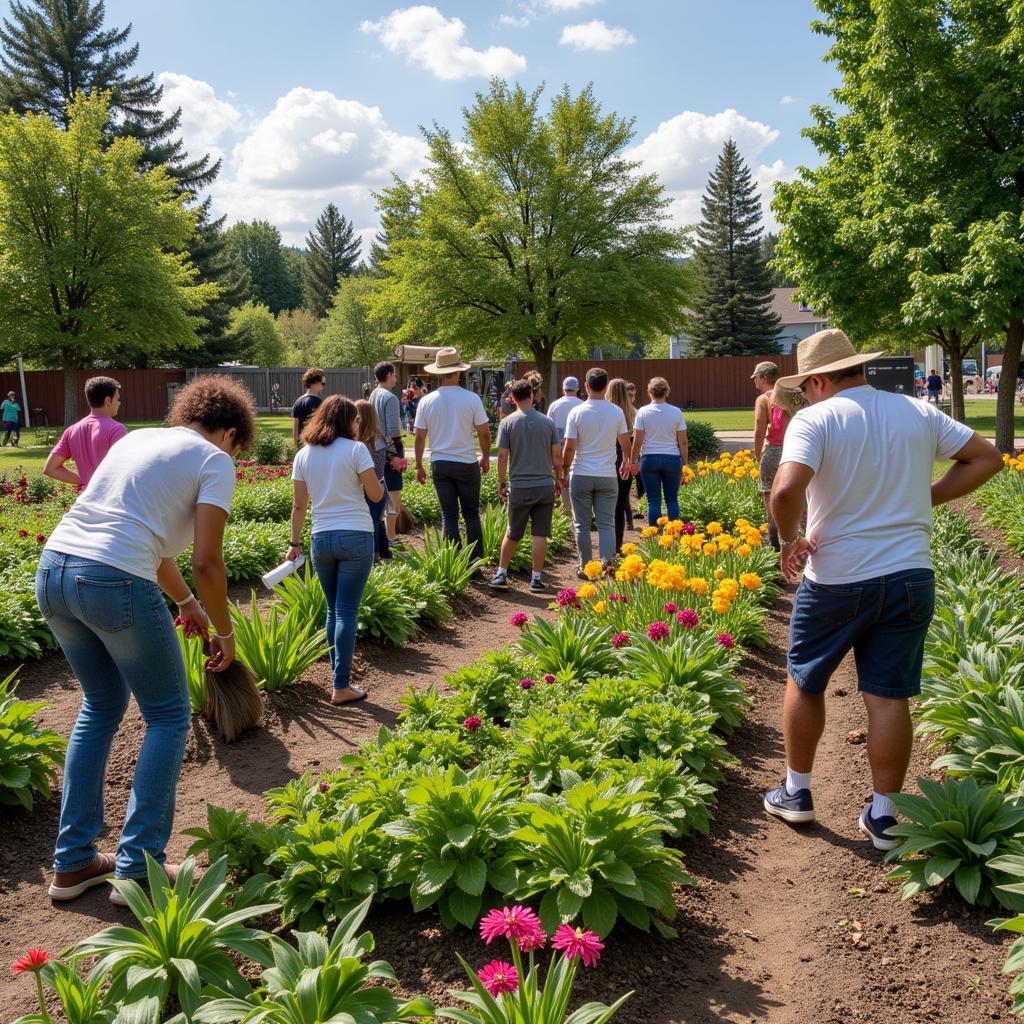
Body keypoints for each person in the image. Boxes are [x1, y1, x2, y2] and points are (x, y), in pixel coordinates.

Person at [762, 329, 1002, 849]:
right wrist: (922, 500)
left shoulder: (816, 418)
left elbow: (784, 491)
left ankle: (797, 792)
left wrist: (789, 540)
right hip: (911, 575)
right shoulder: (916, 411)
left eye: (806, 387)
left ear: (820, 380)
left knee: (805, 679)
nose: (803, 397)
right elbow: (987, 458)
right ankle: (885, 816)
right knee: (889, 697)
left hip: (837, 577)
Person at [37, 375, 253, 901]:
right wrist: (224, 632)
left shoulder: (137, 439)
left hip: (55, 570)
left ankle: (72, 863)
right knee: (168, 714)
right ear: (228, 432)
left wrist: (187, 606)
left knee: (100, 705)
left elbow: (150, 546)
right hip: (112, 581)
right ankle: (138, 867)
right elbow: (206, 560)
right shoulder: (214, 460)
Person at [287, 396, 383, 706]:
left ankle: (337, 679)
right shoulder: (357, 450)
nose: (358, 425)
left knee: (333, 611)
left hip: (320, 538)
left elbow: (299, 505)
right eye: (355, 420)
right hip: (355, 535)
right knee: (346, 612)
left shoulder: (303, 455)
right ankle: (341, 686)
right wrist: (376, 480)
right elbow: (375, 494)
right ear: (347, 421)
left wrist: (294, 544)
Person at [414, 347, 491, 560]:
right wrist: (485, 456)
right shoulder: (471, 398)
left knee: (449, 516)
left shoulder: (426, 401)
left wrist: (419, 465)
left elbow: (419, 437)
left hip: (440, 462)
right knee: (471, 515)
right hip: (466, 462)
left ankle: (455, 562)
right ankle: (474, 562)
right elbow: (484, 433)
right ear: (458, 372)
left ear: (437, 373)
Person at [489, 378, 562, 593]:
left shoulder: (508, 423)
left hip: (520, 486)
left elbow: (502, 455)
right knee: (540, 533)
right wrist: (558, 481)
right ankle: (536, 579)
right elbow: (556, 456)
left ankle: (501, 573)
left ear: (512, 399)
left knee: (512, 532)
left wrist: (501, 481)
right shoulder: (547, 422)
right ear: (532, 396)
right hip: (543, 485)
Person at [562, 367, 631, 575]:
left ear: (586, 386)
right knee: (606, 524)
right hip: (607, 474)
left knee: (582, 524)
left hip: (581, 473)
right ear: (606, 385)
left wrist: (565, 469)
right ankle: (607, 563)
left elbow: (570, 447)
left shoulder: (576, 412)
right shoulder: (616, 411)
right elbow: (625, 442)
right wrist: (626, 460)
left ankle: (584, 566)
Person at [43, 376, 128, 489]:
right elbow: (125, 469)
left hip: (86, 500)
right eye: (118, 399)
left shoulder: (71, 430)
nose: (119, 403)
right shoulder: (117, 429)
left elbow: (50, 469)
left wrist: (85, 482)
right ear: (108, 401)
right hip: (111, 499)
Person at [630, 377, 688, 525]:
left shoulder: (642, 412)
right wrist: (685, 463)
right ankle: (674, 532)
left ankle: (655, 533)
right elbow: (683, 441)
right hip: (672, 458)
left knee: (653, 499)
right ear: (666, 392)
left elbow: (637, 441)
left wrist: (634, 461)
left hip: (649, 458)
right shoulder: (676, 412)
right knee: (672, 499)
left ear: (649, 392)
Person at [751, 362, 787, 550]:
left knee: (771, 500)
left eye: (755, 378)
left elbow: (759, 429)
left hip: (773, 451)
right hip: (794, 449)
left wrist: (758, 456)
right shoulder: (793, 394)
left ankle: (776, 547)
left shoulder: (763, 399)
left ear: (763, 378)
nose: (754, 381)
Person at [369, 361, 406, 543]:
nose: (396, 379)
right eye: (395, 375)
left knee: (380, 497)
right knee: (394, 498)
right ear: (390, 375)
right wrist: (397, 456)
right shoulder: (390, 398)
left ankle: (383, 536)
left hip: (374, 451)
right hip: (388, 453)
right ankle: (391, 537)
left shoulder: (373, 395)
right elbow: (393, 430)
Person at [355, 399, 391, 560]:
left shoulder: (362, 443)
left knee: (372, 523)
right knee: (378, 521)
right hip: (381, 484)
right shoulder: (379, 438)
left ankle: (374, 555)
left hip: (367, 487)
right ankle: (385, 553)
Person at [546, 377, 584, 514]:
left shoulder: (555, 405)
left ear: (563, 389)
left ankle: (566, 506)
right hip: (577, 446)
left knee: (561, 475)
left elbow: (549, 428)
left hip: (558, 445)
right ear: (578, 388)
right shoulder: (582, 404)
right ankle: (577, 507)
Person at [607, 378, 636, 551]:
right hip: (625, 458)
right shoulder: (632, 412)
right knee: (620, 504)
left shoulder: (608, 411)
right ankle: (617, 546)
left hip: (609, 459)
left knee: (606, 506)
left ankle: (607, 544)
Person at [291, 368, 326, 447]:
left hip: (302, 444)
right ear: (316, 382)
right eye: (323, 383)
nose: (323, 387)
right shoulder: (318, 402)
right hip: (315, 445)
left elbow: (295, 427)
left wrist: (296, 446)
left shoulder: (298, 402)